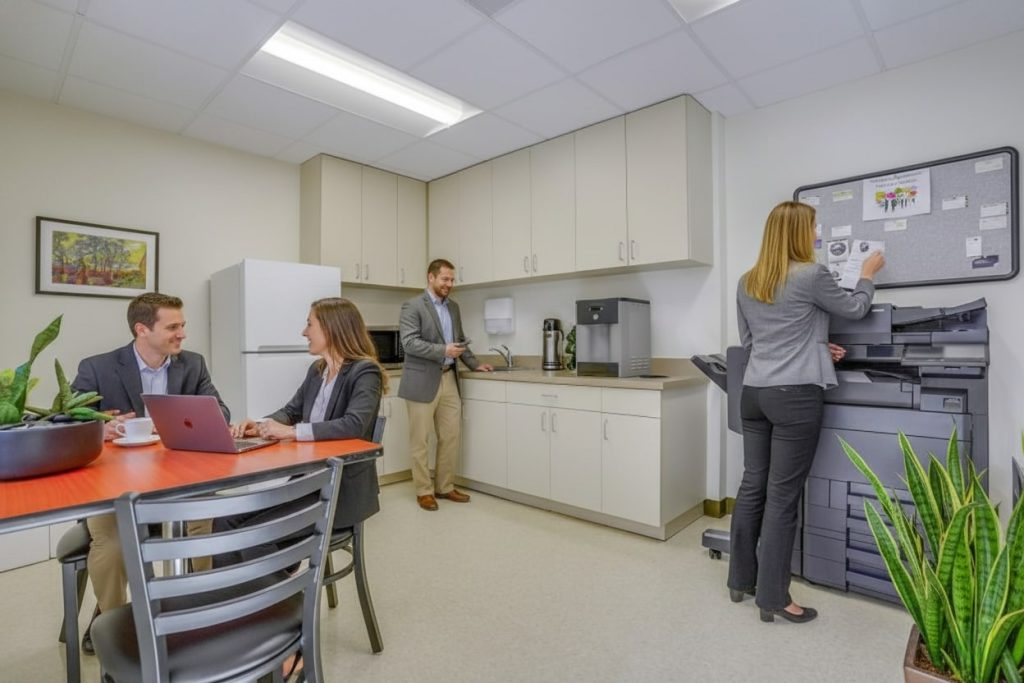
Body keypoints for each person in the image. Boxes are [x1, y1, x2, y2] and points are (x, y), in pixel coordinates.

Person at [728, 201, 884, 624]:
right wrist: (867, 276)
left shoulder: (747, 281)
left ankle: (740, 579)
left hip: (755, 393)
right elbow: (854, 308)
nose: (818, 233)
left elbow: (753, 340)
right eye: (815, 226)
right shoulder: (812, 274)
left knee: (752, 487)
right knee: (782, 498)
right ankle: (774, 598)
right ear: (800, 232)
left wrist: (817, 346)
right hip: (795, 396)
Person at [71, 292, 229, 653]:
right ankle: (114, 621)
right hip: (115, 483)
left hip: (179, 479)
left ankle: (193, 611)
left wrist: (197, 417)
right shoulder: (97, 367)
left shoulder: (192, 364)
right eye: (173, 327)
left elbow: (220, 409)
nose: (182, 334)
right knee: (111, 544)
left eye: (182, 325)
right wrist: (101, 427)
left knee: (205, 521)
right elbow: (68, 419)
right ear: (142, 329)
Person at [219, 297, 384, 554]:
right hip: (307, 484)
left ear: (332, 327)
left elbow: (354, 425)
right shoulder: (317, 371)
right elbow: (290, 411)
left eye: (310, 324)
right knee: (223, 521)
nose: (303, 332)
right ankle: (232, 594)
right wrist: (261, 424)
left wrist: (292, 432)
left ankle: (284, 593)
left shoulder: (364, 372)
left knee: (251, 536)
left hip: (339, 494)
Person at [399, 259, 492, 511]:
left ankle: (445, 487)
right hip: (421, 379)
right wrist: (443, 349)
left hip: (449, 376)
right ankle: (423, 490)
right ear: (431, 277)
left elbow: (460, 341)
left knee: (450, 436)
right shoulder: (413, 306)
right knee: (420, 440)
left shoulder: (454, 307)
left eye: (452, 280)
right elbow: (409, 343)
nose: (449, 284)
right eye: (445, 279)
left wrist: (474, 364)